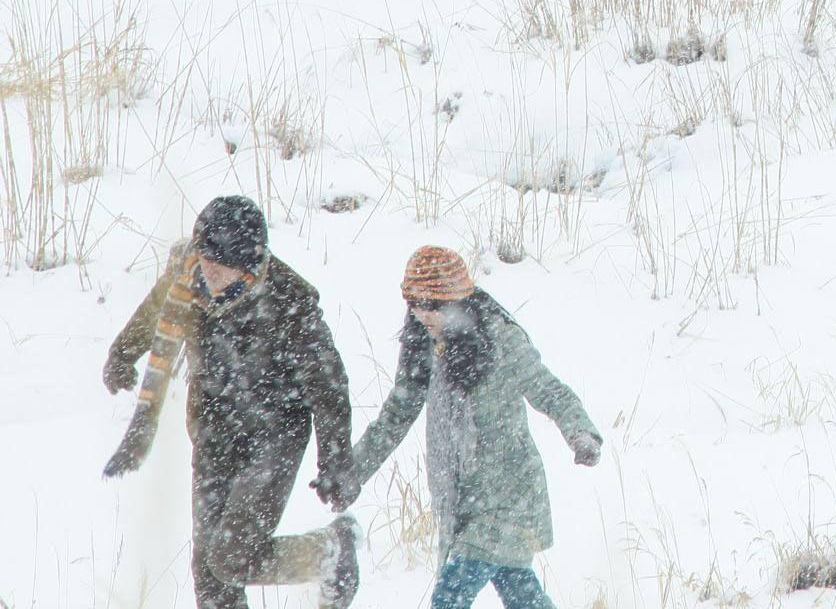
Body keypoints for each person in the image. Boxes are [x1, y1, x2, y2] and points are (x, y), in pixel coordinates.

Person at [103, 195, 360, 609]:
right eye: (205, 258)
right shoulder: (187, 275)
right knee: (209, 576)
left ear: (247, 264)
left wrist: (335, 459)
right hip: (213, 430)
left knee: (233, 558)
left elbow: (327, 387)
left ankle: (327, 553)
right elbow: (155, 310)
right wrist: (122, 354)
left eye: (220, 264)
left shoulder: (289, 301)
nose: (209, 271)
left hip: (274, 437)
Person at [350, 246, 602, 609]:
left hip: (508, 495)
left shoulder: (499, 337)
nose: (423, 314)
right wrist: (352, 471)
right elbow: (398, 412)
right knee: (520, 594)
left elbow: (547, 389)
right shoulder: (424, 343)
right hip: (462, 500)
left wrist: (580, 433)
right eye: (415, 304)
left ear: (457, 301)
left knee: (450, 596)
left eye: (433, 305)